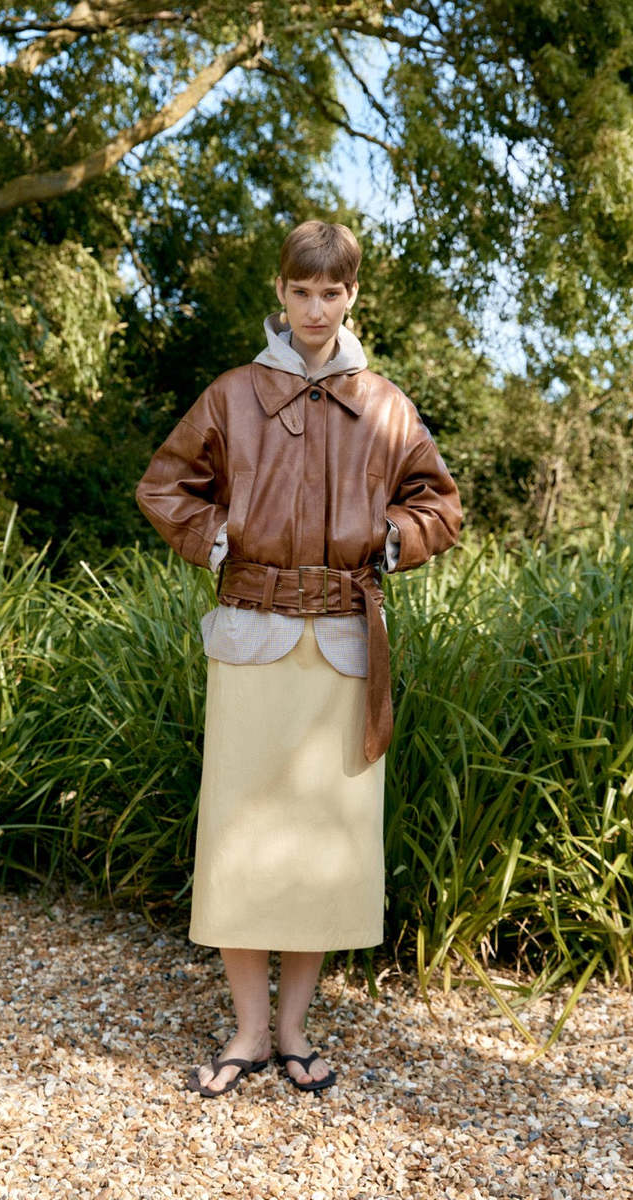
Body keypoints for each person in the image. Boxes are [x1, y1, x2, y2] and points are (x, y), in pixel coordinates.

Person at [136, 220, 461, 1097]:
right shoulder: (232, 394)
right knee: (240, 834)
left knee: (323, 842)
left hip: (344, 646)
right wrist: (222, 537)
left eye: (332, 292)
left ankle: (292, 1032)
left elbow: (440, 502)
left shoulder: (385, 405)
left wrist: (387, 537)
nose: (316, 309)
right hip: (251, 635)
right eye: (302, 291)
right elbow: (164, 486)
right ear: (280, 293)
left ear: (352, 296)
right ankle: (247, 1031)